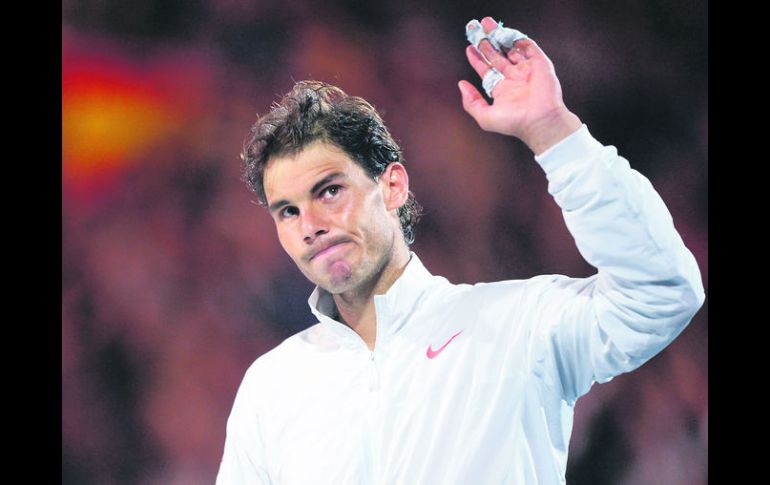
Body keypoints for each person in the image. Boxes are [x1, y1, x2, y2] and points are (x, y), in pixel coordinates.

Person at [216, 16, 705, 485]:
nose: (311, 227)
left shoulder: (515, 326)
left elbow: (660, 293)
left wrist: (554, 132)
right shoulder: (272, 386)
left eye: (329, 191)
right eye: (287, 211)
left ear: (392, 186)